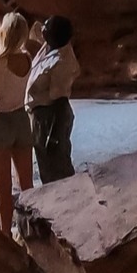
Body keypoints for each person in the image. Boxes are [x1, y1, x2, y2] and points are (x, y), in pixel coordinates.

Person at [0, 11, 35, 233]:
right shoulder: (27, 59)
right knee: (27, 185)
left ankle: (5, 234)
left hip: (1, 122)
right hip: (22, 119)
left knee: (3, 188)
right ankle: (29, 229)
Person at [26, 15, 79, 183]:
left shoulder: (62, 61)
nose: (42, 30)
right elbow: (30, 24)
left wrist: (54, 135)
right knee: (46, 164)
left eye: (46, 28)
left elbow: (60, 100)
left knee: (56, 165)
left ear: (54, 35)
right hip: (41, 114)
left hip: (51, 116)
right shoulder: (49, 46)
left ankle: (68, 202)